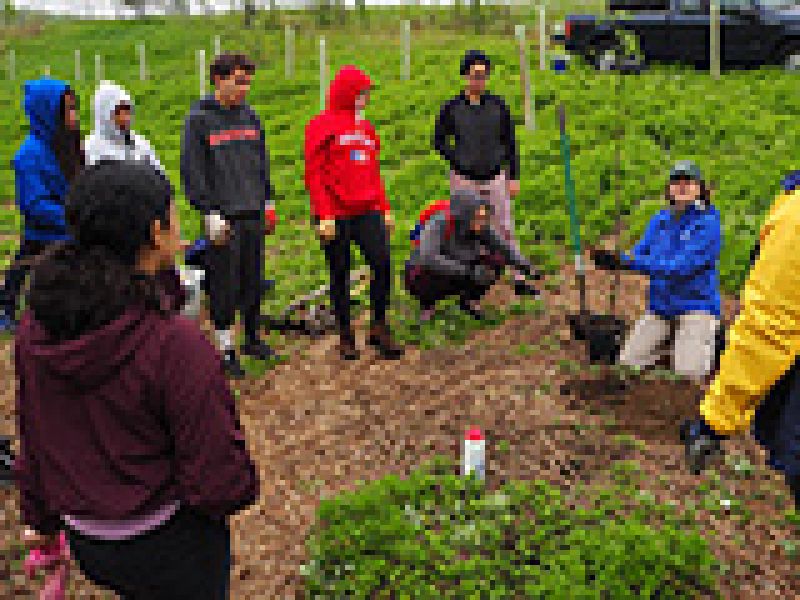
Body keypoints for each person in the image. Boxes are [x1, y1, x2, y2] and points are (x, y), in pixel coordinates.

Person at [14, 160, 258, 599]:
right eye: (172, 214)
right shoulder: (174, 345)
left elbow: (34, 432)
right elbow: (219, 483)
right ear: (154, 232)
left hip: (91, 541)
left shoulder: (38, 327)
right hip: (169, 544)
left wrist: (42, 521)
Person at [682, 171, 800, 508]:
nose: (680, 188)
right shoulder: (662, 222)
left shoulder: (795, 218)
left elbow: (771, 324)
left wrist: (715, 422)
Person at [181, 52, 276, 377]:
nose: (245, 89)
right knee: (224, 284)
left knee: (253, 278)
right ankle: (225, 347)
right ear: (218, 80)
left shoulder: (251, 118)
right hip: (223, 217)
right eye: (239, 82)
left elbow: (261, 162)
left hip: (252, 210)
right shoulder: (199, 120)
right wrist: (207, 211)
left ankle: (251, 336)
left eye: (248, 82)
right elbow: (192, 170)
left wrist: (268, 200)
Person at [304, 65, 403, 361]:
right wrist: (324, 214)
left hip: (367, 210)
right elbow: (314, 174)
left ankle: (379, 327)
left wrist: (384, 208)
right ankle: (346, 334)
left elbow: (374, 172)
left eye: (366, 94)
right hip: (335, 214)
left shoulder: (366, 128)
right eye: (360, 94)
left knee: (383, 264)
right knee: (340, 272)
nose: (364, 99)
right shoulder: (321, 125)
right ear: (345, 93)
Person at [590, 161, 722, 384]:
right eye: (676, 182)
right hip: (661, 308)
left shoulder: (707, 225)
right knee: (627, 365)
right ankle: (671, 347)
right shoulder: (660, 221)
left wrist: (628, 261)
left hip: (696, 308)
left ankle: (711, 339)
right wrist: (616, 260)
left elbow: (681, 268)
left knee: (687, 377)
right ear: (668, 189)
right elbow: (640, 253)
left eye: (688, 182)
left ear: (700, 189)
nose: (681, 187)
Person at [433, 50, 535, 297]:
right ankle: (466, 281)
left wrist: (514, 177)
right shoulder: (452, 108)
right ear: (465, 76)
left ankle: (519, 277)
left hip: (495, 177)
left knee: (504, 226)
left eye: (484, 76)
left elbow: (510, 143)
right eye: (475, 75)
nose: (479, 81)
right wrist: (458, 159)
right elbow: (438, 141)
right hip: (464, 180)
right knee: (464, 230)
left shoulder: (498, 106)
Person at [0, 78, 83, 334]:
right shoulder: (30, 155)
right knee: (25, 271)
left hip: (68, 229)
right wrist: (72, 218)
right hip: (45, 234)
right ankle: (7, 310)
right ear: (48, 113)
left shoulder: (67, 145)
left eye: (74, 108)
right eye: (68, 110)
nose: (75, 116)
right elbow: (34, 206)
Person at [405, 191, 540, 322]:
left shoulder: (480, 225)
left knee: (496, 260)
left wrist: (525, 265)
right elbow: (427, 258)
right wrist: (468, 272)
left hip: (460, 264)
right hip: (433, 269)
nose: (481, 221)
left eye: (482, 216)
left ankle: (470, 299)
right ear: (464, 216)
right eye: (477, 217)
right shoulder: (438, 224)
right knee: (423, 276)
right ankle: (428, 303)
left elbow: (502, 247)